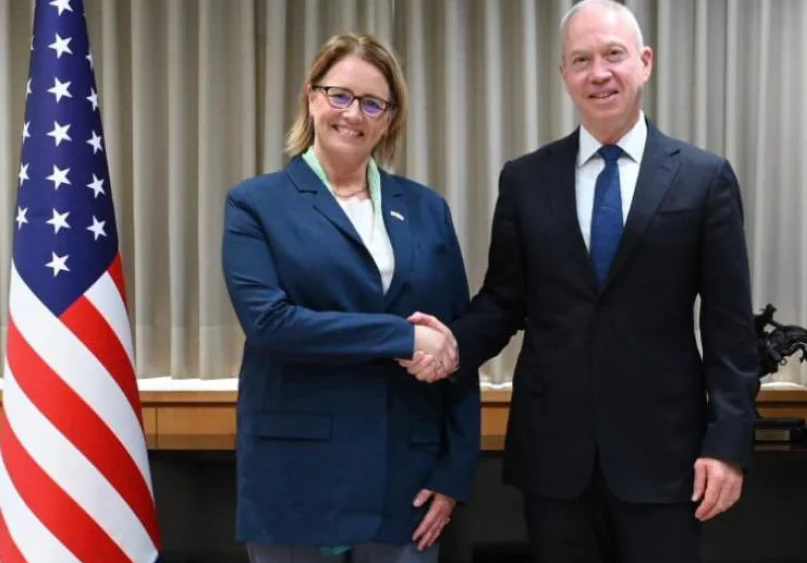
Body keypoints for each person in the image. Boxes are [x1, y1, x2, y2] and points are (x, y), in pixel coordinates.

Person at [404, 1, 759, 561]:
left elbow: (729, 326)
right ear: (565, 75)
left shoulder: (703, 178)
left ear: (644, 62)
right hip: (554, 460)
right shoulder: (525, 180)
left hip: (667, 459)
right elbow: (504, 302)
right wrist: (447, 345)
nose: (599, 72)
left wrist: (729, 443)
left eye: (613, 55)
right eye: (581, 59)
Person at [221, 32, 479, 563]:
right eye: (339, 95)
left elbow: (455, 341)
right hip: (297, 482)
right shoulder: (256, 205)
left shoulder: (428, 210)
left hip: (405, 485)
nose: (352, 114)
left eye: (372, 103)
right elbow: (271, 324)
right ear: (312, 99)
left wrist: (454, 475)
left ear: (389, 118)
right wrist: (403, 337)